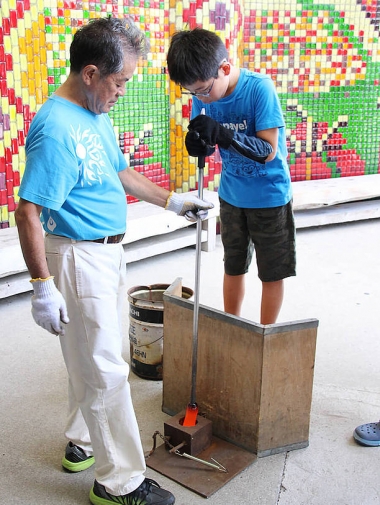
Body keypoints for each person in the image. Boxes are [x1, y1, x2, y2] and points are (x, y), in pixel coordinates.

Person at [15, 17, 213, 505]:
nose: (123, 90)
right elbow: (28, 211)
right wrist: (42, 284)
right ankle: (117, 483)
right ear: (90, 72)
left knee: (89, 353)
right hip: (80, 255)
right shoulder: (56, 128)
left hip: (106, 252)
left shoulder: (93, 113)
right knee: (105, 367)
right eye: (120, 81)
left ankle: (82, 443)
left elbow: (120, 173)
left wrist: (172, 201)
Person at [167, 28, 296, 324]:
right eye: (193, 92)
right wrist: (198, 145)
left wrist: (224, 135)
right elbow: (208, 144)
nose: (200, 98)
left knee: (271, 271)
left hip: (269, 196)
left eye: (203, 90)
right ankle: (232, 326)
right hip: (232, 195)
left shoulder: (259, 88)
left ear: (224, 68)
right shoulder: (205, 95)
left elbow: (268, 151)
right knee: (233, 265)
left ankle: (266, 333)